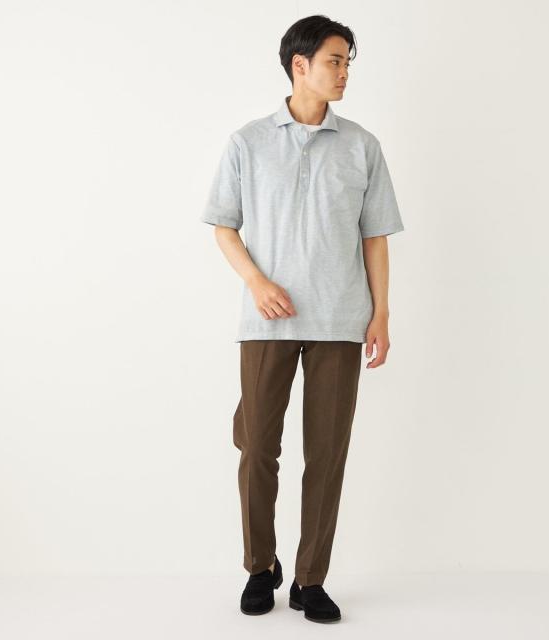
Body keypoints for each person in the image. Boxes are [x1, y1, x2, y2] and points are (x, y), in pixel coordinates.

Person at [200, 14, 404, 624]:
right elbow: (224, 226)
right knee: (257, 446)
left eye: (347, 63)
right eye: (334, 61)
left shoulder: (362, 146)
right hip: (267, 323)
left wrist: (381, 313)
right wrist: (257, 282)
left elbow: (374, 238)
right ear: (300, 65)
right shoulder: (248, 142)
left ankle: (310, 579)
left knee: (327, 453)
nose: (344, 73)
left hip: (340, 321)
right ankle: (260, 567)